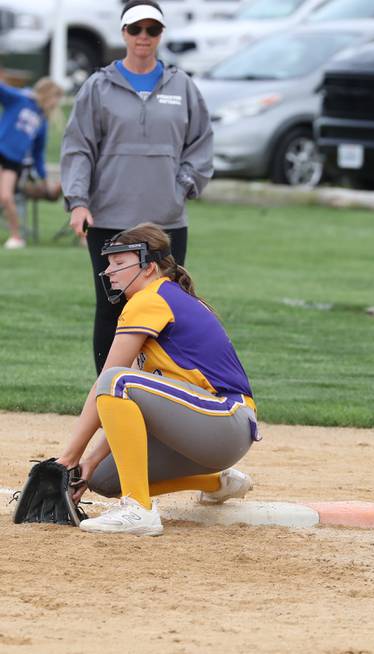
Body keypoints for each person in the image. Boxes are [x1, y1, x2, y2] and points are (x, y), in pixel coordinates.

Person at [56, 222, 259, 536]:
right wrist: (89, 462)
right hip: (207, 429)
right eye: (109, 263)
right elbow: (128, 406)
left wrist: (67, 458)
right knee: (104, 479)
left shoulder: (149, 299)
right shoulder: (165, 295)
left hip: (223, 419)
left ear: (149, 267)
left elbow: (109, 383)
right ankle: (219, 482)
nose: (109, 271)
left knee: (116, 380)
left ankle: (139, 509)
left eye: (119, 263)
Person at [60, 0, 213, 374]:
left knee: (165, 308)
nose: (143, 37)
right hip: (110, 218)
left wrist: (183, 185)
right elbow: (78, 146)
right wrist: (78, 201)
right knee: (112, 307)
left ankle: (161, 392)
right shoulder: (97, 87)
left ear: (161, 35)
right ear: (123, 33)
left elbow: (201, 143)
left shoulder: (183, 86)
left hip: (167, 222)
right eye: (136, 29)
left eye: (152, 30)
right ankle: (109, 392)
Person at [0, 77, 63, 249]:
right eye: (55, 99)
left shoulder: (41, 121)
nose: (55, 104)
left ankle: (16, 237)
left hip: (14, 161)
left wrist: (43, 178)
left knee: (5, 196)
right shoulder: (20, 99)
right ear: (47, 94)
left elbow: (38, 153)